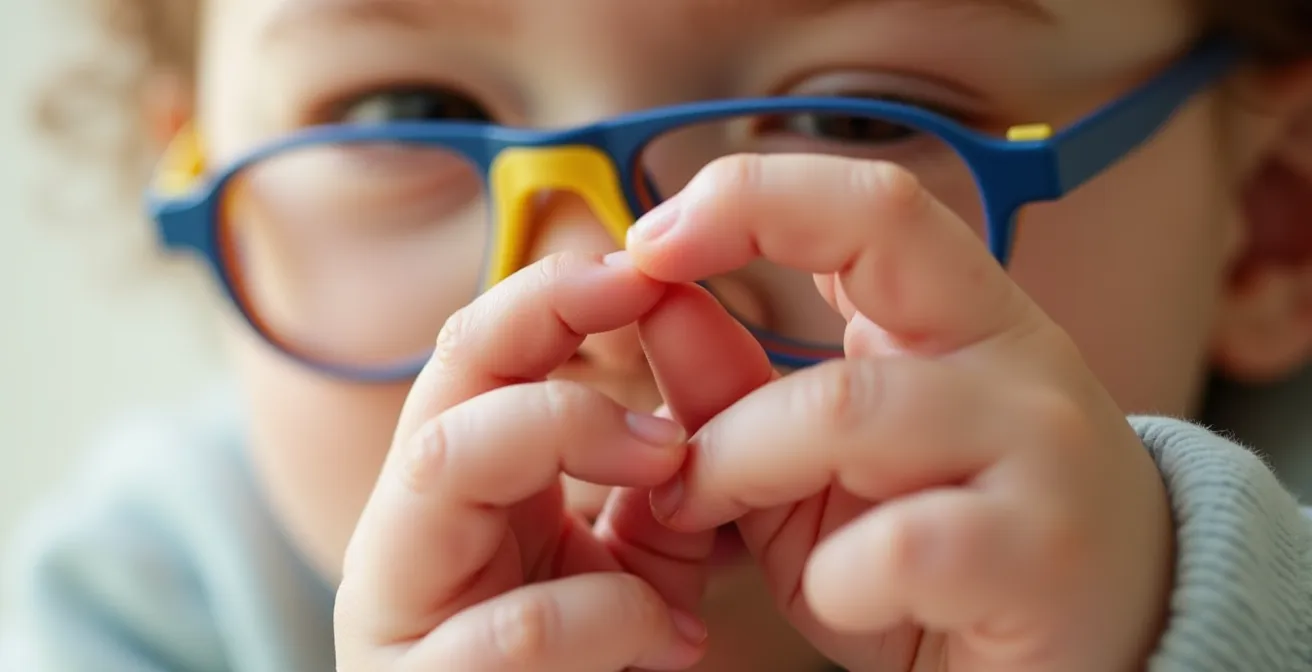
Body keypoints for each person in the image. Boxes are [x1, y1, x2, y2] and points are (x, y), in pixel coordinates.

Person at [4, 0, 1312, 670]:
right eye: (407, 109)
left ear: (1268, 219)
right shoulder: (136, 619)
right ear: (190, 184)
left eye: (855, 119)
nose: (609, 300)